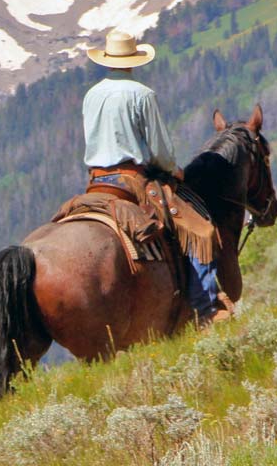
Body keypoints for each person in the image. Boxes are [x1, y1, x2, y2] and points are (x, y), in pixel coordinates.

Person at [83, 31, 229, 324]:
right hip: (132, 178)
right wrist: (172, 168)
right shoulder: (141, 94)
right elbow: (159, 148)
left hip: (97, 180)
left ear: (108, 61)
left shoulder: (92, 94)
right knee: (200, 229)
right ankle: (206, 308)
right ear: (133, 60)